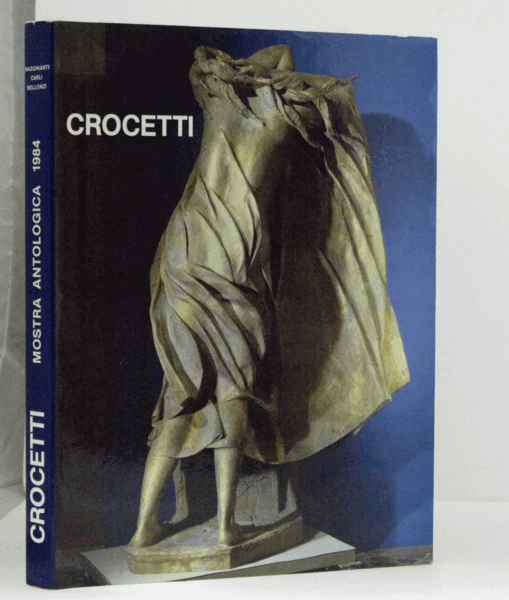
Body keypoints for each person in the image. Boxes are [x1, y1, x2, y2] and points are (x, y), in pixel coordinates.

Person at [129, 45, 410, 548]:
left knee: (180, 395)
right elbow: (292, 62)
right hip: (231, 260)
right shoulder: (285, 118)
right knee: (232, 389)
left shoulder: (214, 90)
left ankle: (143, 527)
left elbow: (273, 56)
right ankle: (224, 526)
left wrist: (253, 75)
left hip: (181, 253)